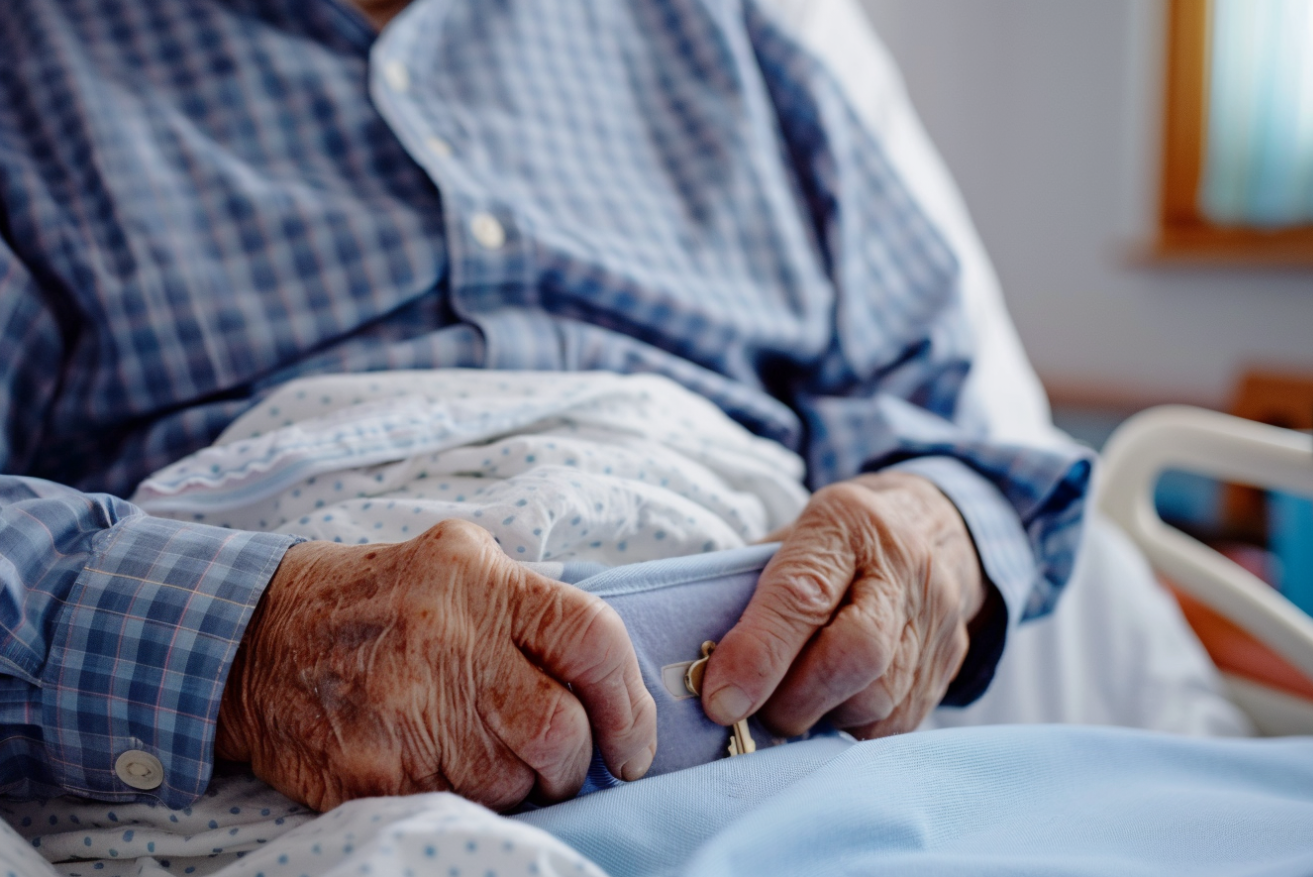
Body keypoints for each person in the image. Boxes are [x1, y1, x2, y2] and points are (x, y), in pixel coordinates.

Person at [0, 0, 1090, 813]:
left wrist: (935, 533)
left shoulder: (730, 34)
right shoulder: (34, 57)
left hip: (825, 762)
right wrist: (248, 651)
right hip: (316, 775)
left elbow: (950, 417)